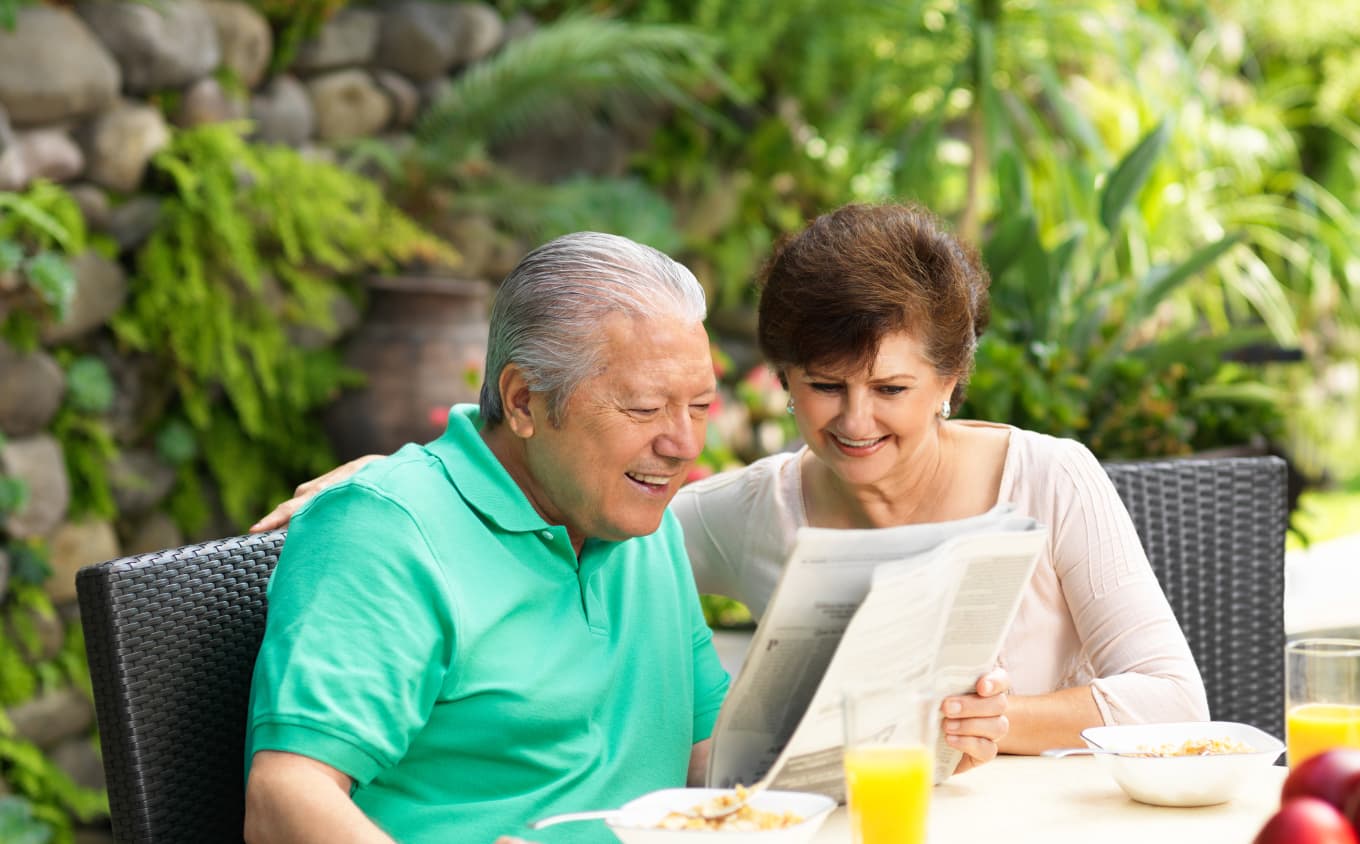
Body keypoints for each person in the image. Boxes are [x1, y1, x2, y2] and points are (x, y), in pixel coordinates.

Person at [254, 203, 1208, 766]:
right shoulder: (743, 509)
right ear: (785, 381)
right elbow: (539, 485)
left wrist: (1003, 723)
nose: (855, 421)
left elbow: (1175, 700)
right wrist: (399, 478)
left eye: (893, 390)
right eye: (824, 388)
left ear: (953, 381)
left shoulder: (1048, 478)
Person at [243, 232, 730, 844]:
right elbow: (283, 800)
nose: (683, 444)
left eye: (702, 406)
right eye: (643, 408)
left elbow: (712, 754)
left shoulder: (638, 520)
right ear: (523, 400)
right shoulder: (386, 532)